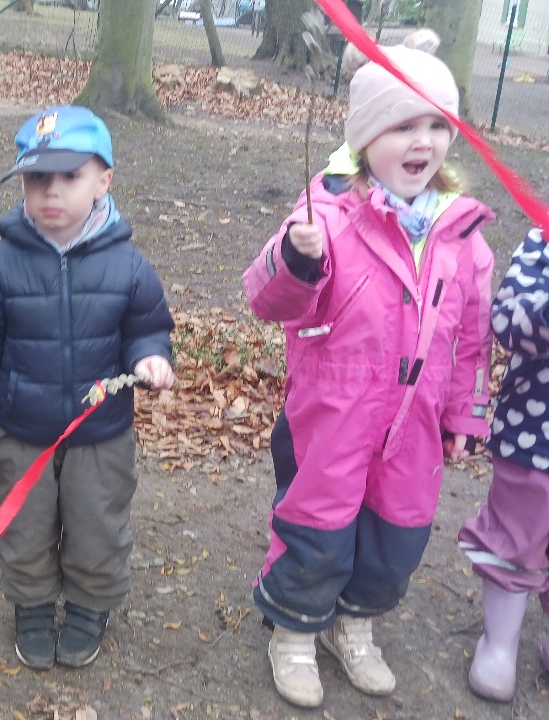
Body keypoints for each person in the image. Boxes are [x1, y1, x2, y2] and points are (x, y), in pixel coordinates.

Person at [242, 41, 494, 708]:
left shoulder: (462, 236)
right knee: (317, 521)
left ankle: (353, 624)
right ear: (365, 137)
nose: (424, 140)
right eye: (404, 125)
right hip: (334, 413)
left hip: (415, 421)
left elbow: (472, 339)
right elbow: (269, 300)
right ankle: (295, 628)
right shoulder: (327, 215)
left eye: (437, 124)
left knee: (397, 530)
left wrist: (465, 412)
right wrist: (295, 260)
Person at [0, 106, 175, 671]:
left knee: (97, 526)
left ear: (103, 181)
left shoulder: (128, 265)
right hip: (22, 434)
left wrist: (150, 357)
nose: (51, 190)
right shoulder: (1, 265)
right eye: (37, 177)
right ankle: (33, 605)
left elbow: (147, 327)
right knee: (25, 529)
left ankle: (90, 606)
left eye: (70, 175)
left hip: (101, 436)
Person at [458, 227, 549, 702]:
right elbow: (507, 320)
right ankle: (500, 645)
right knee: (517, 537)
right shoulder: (544, 242)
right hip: (535, 437)